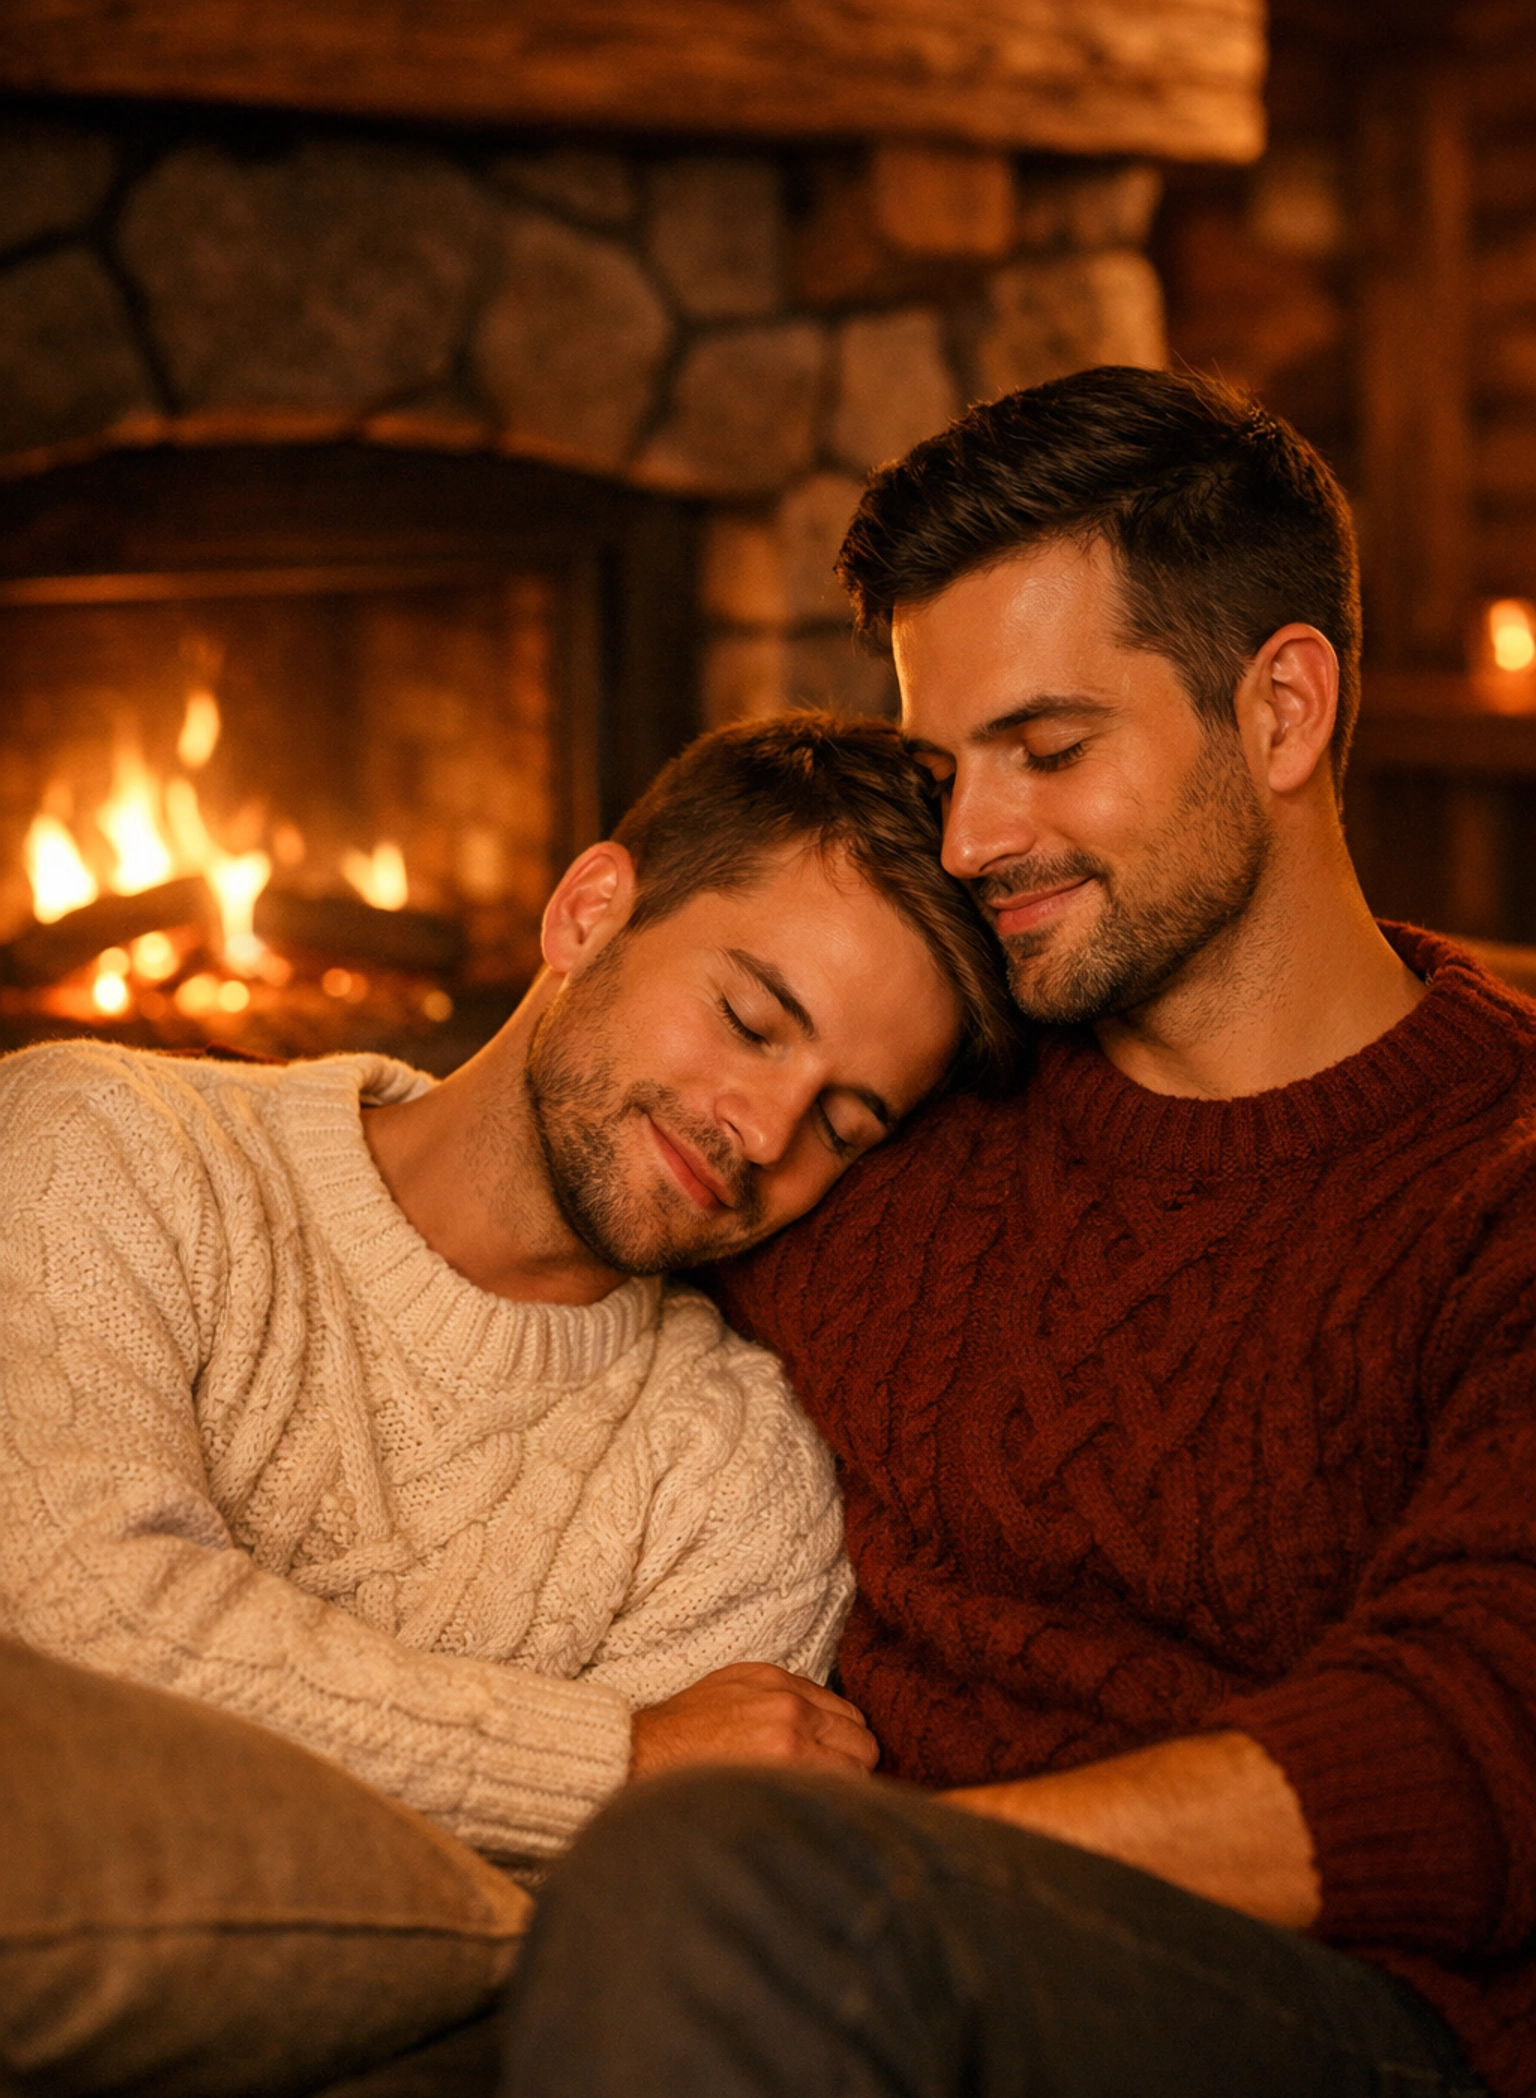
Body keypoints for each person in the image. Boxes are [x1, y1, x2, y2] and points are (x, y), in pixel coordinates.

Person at [492, 370, 1536, 2098]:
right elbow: (537, 1187)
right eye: (949, 759)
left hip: (1369, 2048)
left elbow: (1465, 1742)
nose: (970, 838)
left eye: (1046, 749)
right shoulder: (900, 1108)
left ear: (1282, 708)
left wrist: (889, 1868)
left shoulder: (1500, 1174)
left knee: (720, 1893)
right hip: (803, 1967)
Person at [0, 713, 1018, 1868]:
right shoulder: (106, 1143)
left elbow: (587, 1943)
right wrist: (615, 1758)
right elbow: (75, 1623)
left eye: (843, 1126)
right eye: (750, 1022)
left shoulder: (739, 1481)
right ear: (589, 913)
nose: (766, 1129)